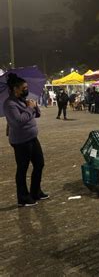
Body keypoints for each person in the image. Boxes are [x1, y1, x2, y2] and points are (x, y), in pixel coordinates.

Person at [3, 74, 49, 207]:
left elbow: (34, 115)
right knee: (22, 169)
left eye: (27, 87)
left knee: (39, 164)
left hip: (32, 138)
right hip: (21, 141)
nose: (26, 89)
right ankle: (23, 198)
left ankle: (36, 192)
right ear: (15, 89)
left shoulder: (23, 100)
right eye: (24, 88)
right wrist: (29, 108)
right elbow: (18, 122)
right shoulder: (10, 104)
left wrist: (34, 107)